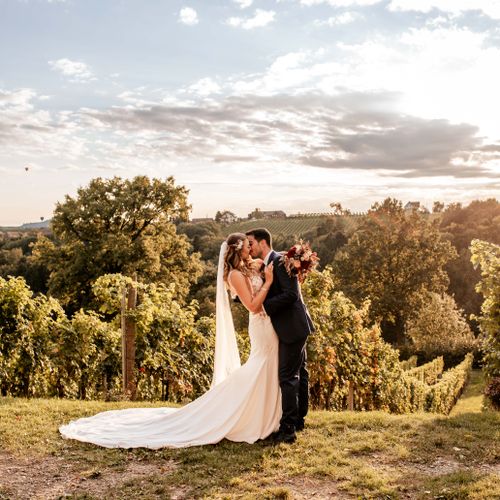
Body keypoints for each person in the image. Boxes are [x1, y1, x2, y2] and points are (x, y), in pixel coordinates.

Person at [59, 233, 282, 449]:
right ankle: (242, 412)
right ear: (237, 249)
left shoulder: (252, 265)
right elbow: (252, 305)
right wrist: (268, 283)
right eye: (247, 245)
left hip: (270, 322)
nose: (250, 248)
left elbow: (270, 263)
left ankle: (268, 415)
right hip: (260, 323)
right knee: (260, 365)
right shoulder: (234, 275)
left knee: (269, 365)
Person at [246, 228, 314, 444]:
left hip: (292, 327)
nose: (249, 247)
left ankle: (288, 429)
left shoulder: (280, 260)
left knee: (287, 376)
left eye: (251, 243)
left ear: (262, 242)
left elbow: (291, 294)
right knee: (299, 372)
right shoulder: (266, 264)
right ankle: (299, 420)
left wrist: (265, 306)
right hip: (292, 326)